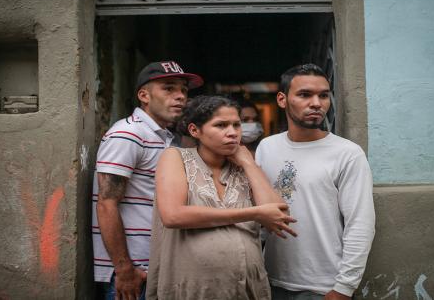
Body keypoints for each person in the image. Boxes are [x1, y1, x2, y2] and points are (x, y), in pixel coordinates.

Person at [146, 96, 297, 300]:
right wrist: (254, 213)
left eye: (236, 125)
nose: (232, 132)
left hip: (246, 289)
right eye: (221, 125)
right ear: (194, 130)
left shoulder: (245, 168)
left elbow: (279, 217)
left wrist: (249, 164)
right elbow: (173, 215)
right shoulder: (176, 158)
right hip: (190, 289)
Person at [255, 64, 375, 300]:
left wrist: (343, 288)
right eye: (304, 95)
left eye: (323, 95)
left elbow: (360, 224)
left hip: (321, 287)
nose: (317, 103)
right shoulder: (267, 147)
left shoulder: (347, 153)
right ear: (282, 99)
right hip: (268, 281)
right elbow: (259, 217)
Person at [92, 61, 203, 300]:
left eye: (184, 90)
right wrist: (123, 269)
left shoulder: (167, 138)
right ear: (144, 95)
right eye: (169, 88)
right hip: (132, 272)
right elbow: (106, 203)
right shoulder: (128, 134)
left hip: (159, 265)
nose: (180, 96)